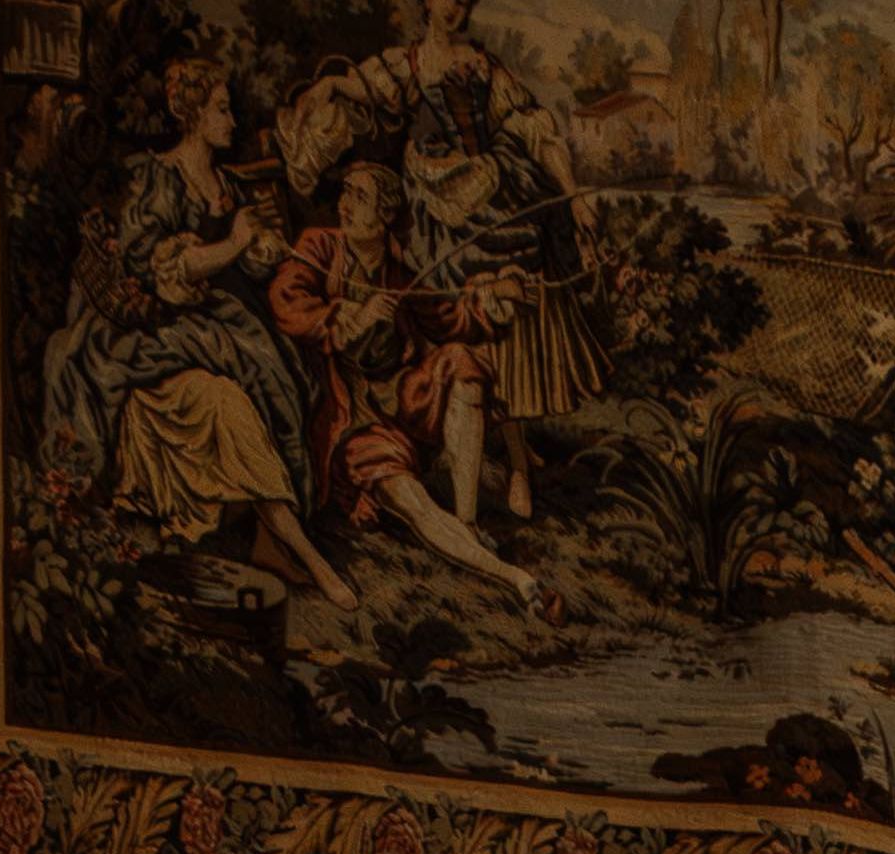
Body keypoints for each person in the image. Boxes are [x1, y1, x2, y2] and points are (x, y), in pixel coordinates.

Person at [40, 59, 361, 605]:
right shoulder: (154, 176)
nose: (231, 121)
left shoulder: (230, 184)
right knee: (231, 397)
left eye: (229, 109)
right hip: (154, 324)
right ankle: (305, 553)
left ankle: (273, 539)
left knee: (279, 371)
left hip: (211, 320)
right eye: (221, 109)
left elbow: (251, 266)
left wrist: (261, 250)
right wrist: (233, 244)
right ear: (191, 115)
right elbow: (154, 268)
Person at [292, 0, 601, 526]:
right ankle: (456, 452)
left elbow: (536, 129)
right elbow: (364, 88)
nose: (453, 7)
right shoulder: (408, 63)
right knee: (452, 327)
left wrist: (573, 195)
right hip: (432, 216)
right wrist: (328, 87)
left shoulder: (481, 65)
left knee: (504, 324)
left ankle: (518, 463)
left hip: (489, 203)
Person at [269, 160, 552, 601]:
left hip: (404, 398)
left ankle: (467, 522)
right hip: (353, 418)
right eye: (345, 192)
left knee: (461, 362)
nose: (344, 205)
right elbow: (286, 302)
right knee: (413, 502)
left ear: (385, 214)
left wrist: (496, 294)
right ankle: (514, 578)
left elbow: (448, 318)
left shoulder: (400, 268)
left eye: (359, 196)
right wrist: (351, 316)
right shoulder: (319, 247)